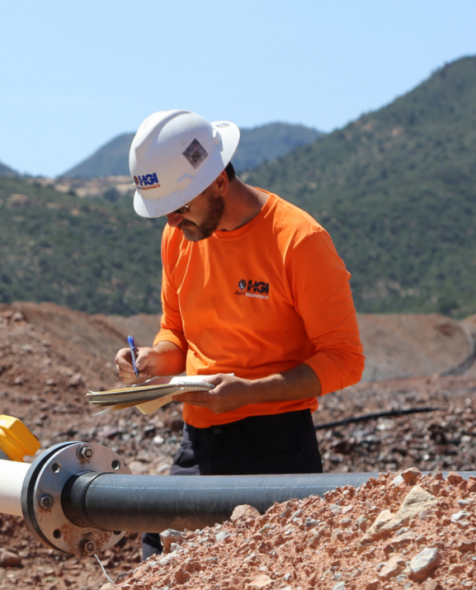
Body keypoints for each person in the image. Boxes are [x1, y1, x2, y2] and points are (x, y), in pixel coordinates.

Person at [113, 110, 365, 559]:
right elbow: (177, 333)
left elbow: (345, 359)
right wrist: (154, 359)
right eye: (165, 213)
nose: (172, 223)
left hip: (278, 448)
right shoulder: (181, 237)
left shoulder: (299, 241)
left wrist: (251, 392)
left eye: (181, 208)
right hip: (199, 439)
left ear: (219, 182)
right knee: (161, 564)